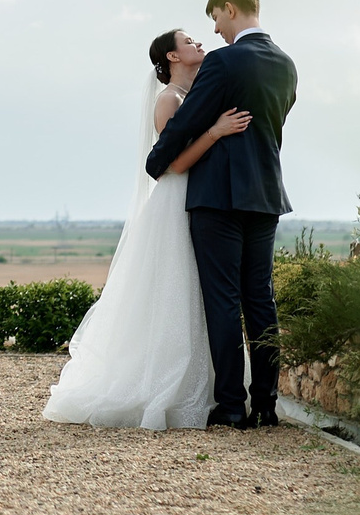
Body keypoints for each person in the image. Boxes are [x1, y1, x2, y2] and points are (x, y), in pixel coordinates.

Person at [42, 28, 252, 429]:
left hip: (206, 199)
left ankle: (210, 389)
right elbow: (171, 164)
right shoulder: (168, 100)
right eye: (189, 42)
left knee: (203, 292)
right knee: (176, 290)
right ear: (172, 57)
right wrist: (216, 132)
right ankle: (165, 387)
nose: (199, 44)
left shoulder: (196, 96)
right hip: (178, 199)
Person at [144, 0, 298, 429]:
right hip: (266, 196)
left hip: (218, 198)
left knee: (224, 301)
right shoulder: (287, 65)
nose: (214, 31)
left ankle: (232, 405)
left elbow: (187, 121)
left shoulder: (225, 62)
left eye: (215, 18)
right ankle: (266, 405)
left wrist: (157, 161)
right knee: (262, 301)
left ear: (230, 9)